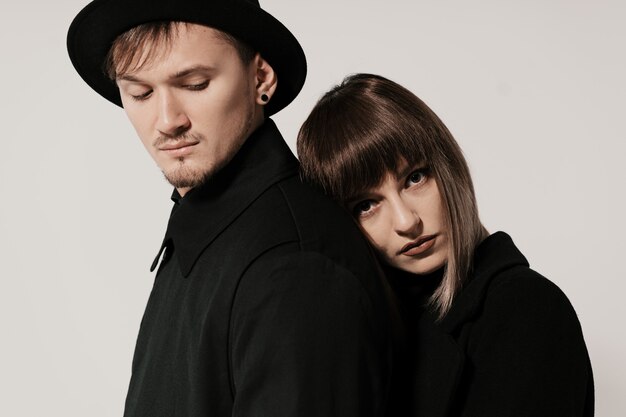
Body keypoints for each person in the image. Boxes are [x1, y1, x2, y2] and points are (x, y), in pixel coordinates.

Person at [66, 3, 399, 417]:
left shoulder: (295, 267)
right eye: (141, 93)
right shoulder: (201, 232)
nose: (167, 121)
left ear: (260, 78)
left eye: (195, 84)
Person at [297, 73, 594, 417]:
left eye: (415, 178)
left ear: (448, 166)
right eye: (366, 205)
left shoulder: (526, 309)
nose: (407, 222)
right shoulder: (365, 331)